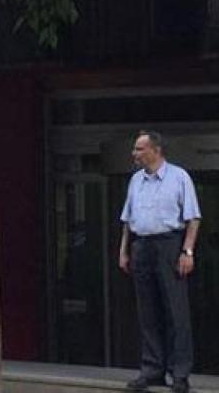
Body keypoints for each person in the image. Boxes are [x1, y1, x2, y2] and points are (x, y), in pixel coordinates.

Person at [119, 131, 201, 393]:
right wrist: (124, 251)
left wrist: (187, 251)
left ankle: (179, 373)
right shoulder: (135, 181)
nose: (135, 154)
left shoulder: (179, 177)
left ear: (155, 150)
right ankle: (152, 369)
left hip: (169, 244)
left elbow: (193, 218)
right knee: (148, 312)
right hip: (141, 244)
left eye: (139, 149)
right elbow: (127, 220)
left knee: (176, 312)